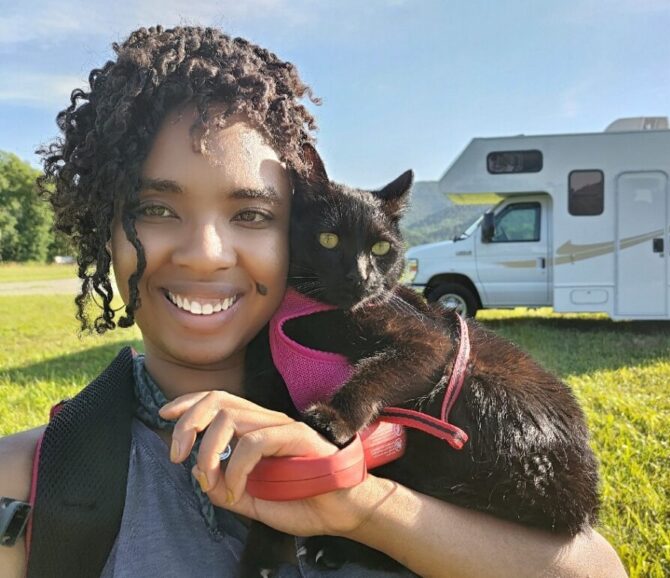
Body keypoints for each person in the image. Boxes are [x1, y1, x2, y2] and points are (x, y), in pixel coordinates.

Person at [0, 26, 627, 577]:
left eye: (250, 213)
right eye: (155, 209)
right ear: (103, 229)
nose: (206, 253)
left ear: (289, 235)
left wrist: (363, 508)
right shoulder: (31, 479)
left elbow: (592, 569)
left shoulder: (388, 393)